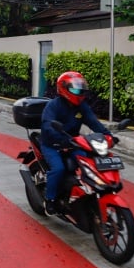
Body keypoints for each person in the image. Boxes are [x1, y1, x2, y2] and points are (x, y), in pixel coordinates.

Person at [40, 71, 113, 216]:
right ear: (63, 88)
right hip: (52, 144)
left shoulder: (82, 106)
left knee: (87, 163)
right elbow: (47, 126)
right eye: (75, 88)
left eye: (81, 87)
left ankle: (83, 190)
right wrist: (62, 139)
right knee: (58, 169)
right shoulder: (53, 106)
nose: (79, 91)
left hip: (73, 143)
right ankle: (50, 199)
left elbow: (94, 122)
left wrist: (108, 136)